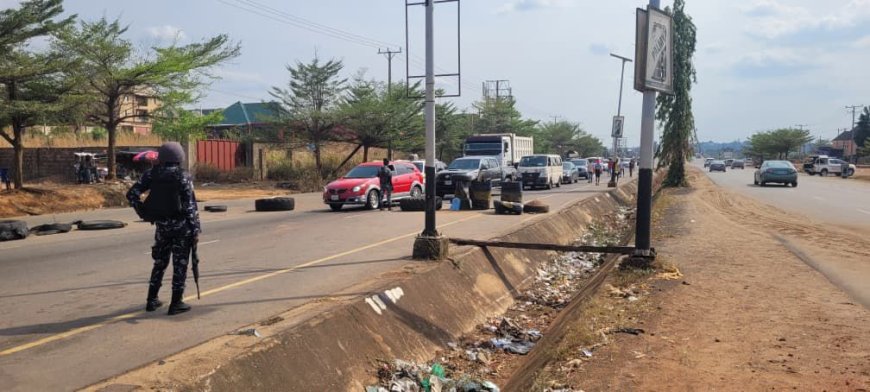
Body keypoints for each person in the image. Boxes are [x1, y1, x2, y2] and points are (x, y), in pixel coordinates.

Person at [127, 142, 200, 316]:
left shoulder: (151, 174)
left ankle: (151, 300)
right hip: (182, 228)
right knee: (180, 265)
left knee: (159, 263)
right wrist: (195, 229)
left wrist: (143, 212)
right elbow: (190, 206)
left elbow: (131, 194)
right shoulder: (183, 177)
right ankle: (176, 303)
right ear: (179, 157)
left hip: (162, 227)